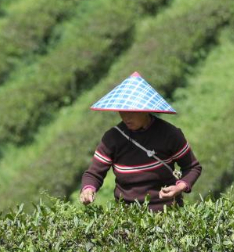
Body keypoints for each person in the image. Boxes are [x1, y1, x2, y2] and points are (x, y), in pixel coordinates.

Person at [79, 72, 202, 211]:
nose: (126, 117)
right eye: (122, 111)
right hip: (127, 214)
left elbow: (192, 167)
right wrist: (88, 189)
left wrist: (179, 187)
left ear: (145, 110)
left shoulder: (169, 134)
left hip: (166, 211)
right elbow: (94, 173)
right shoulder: (113, 138)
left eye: (132, 112)